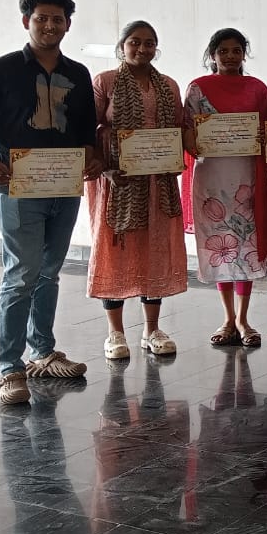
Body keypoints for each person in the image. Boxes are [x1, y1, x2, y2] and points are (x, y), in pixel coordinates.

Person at [0, 0, 100, 405]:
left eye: (58, 19)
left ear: (68, 25)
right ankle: (10, 369)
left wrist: (91, 157)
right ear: (26, 21)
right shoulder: (0, 69)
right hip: (17, 185)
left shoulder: (78, 73)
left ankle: (42, 351)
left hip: (64, 186)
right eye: (41, 18)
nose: (50, 25)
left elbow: (86, 130)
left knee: (49, 271)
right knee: (21, 273)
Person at [86, 20, 187, 361]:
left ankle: (151, 329)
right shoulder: (105, 82)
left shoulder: (168, 85)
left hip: (158, 180)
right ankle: (115, 332)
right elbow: (89, 127)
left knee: (153, 249)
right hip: (118, 180)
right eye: (135, 42)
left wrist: (175, 156)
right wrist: (105, 163)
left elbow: (178, 128)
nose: (142, 48)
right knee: (116, 248)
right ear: (122, 46)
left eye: (149, 43)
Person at [182, 28, 267, 348]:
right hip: (212, 177)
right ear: (213, 55)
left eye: (236, 50)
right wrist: (195, 143)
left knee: (245, 245)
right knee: (220, 247)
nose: (230, 56)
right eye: (223, 51)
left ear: (244, 54)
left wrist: (265, 136)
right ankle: (227, 318)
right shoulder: (197, 88)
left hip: (247, 176)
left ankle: (243, 319)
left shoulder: (258, 88)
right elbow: (187, 130)